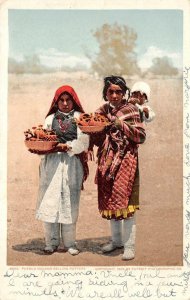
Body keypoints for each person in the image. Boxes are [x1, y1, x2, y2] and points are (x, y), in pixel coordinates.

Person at [90, 75, 146, 260]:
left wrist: (119, 124)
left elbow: (141, 136)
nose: (114, 95)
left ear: (124, 93)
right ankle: (116, 242)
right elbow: (96, 135)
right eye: (110, 91)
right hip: (107, 163)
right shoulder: (102, 111)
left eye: (118, 92)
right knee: (111, 203)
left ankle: (129, 246)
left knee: (127, 206)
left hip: (126, 162)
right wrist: (93, 132)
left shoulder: (131, 110)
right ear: (105, 94)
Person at [35, 85, 89, 255]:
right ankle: (50, 242)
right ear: (56, 102)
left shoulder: (80, 118)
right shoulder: (50, 119)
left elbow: (84, 142)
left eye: (68, 100)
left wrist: (69, 146)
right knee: (50, 202)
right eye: (62, 100)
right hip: (51, 164)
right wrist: (45, 148)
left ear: (74, 101)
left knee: (70, 202)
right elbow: (41, 138)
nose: (65, 104)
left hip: (71, 164)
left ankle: (70, 243)